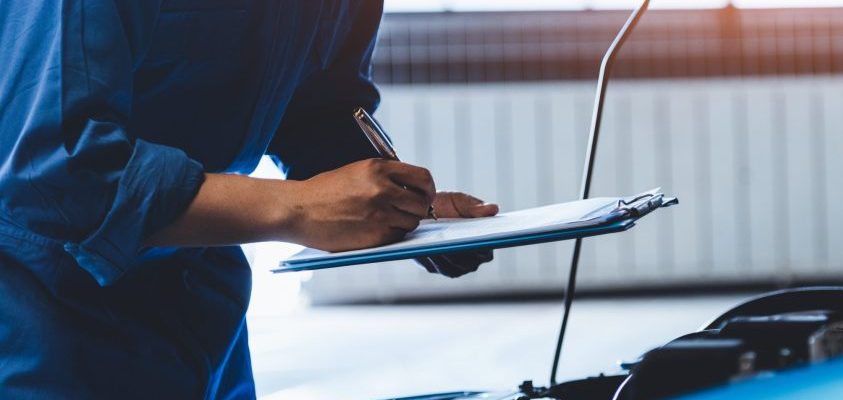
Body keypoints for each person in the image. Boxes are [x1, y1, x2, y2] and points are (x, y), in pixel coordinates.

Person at [0, 0, 497, 398]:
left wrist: (401, 204)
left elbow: (318, 111)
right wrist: (298, 208)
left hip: (203, 300)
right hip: (44, 307)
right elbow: (57, 169)